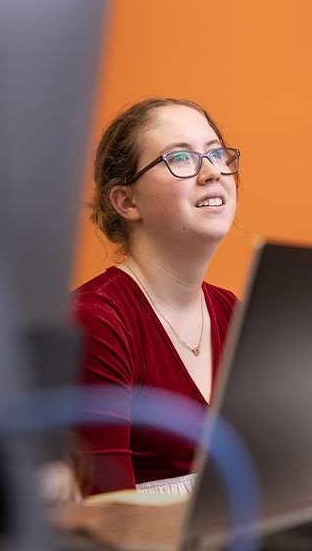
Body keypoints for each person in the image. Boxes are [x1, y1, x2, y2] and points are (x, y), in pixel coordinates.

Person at [72, 98, 240, 495]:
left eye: (216, 153)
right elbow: (109, 516)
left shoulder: (231, 310)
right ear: (126, 202)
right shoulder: (95, 319)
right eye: (180, 158)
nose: (213, 172)